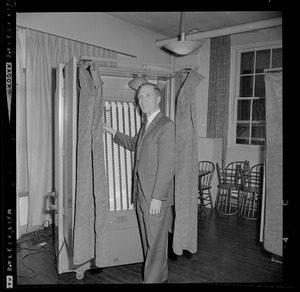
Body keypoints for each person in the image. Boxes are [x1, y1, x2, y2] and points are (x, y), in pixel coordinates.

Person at [103, 83, 175, 283]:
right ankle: (160, 278)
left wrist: (157, 197)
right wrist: (111, 130)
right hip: (142, 194)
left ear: (158, 99)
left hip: (155, 197)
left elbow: (167, 166)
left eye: (147, 95)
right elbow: (135, 144)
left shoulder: (166, 125)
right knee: (149, 242)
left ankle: (150, 281)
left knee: (156, 243)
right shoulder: (147, 124)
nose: (143, 100)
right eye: (140, 97)